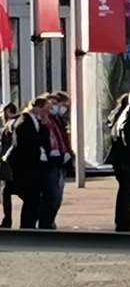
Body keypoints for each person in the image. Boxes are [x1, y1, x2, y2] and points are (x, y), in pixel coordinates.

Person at [4, 97, 51, 229]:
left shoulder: (30, 120)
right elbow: (32, 141)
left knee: (32, 197)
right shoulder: (25, 121)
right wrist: (43, 126)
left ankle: (27, 224)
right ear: (38, 108)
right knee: (31, 196)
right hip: (24, 167)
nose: (47, 114)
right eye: (46, 110)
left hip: (27, 166)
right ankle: (27, 226)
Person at [39, 91, 74, 229]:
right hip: (51, 163)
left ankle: (49, 221)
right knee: (51, 196)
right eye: (53, 104)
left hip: (60, 161)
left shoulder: (57, 120)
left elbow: (62, 138)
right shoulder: (45, 119)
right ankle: (45, 223)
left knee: (57, 197)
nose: (59, 107)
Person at [111, 88, 130, 233]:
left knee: (127, 194)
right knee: (128, 194)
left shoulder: (127, 115)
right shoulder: (129, 119)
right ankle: (122, 223)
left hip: (126, 162)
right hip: (128, 163)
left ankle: (122, 222)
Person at [0, 102, 17, 227]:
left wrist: (5, 157)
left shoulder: (10, 124)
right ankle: (7, 219)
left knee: (5, 192)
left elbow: (11, 144)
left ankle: (7, 220)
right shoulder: (15, 122)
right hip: (9, 163)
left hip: (6, 164)